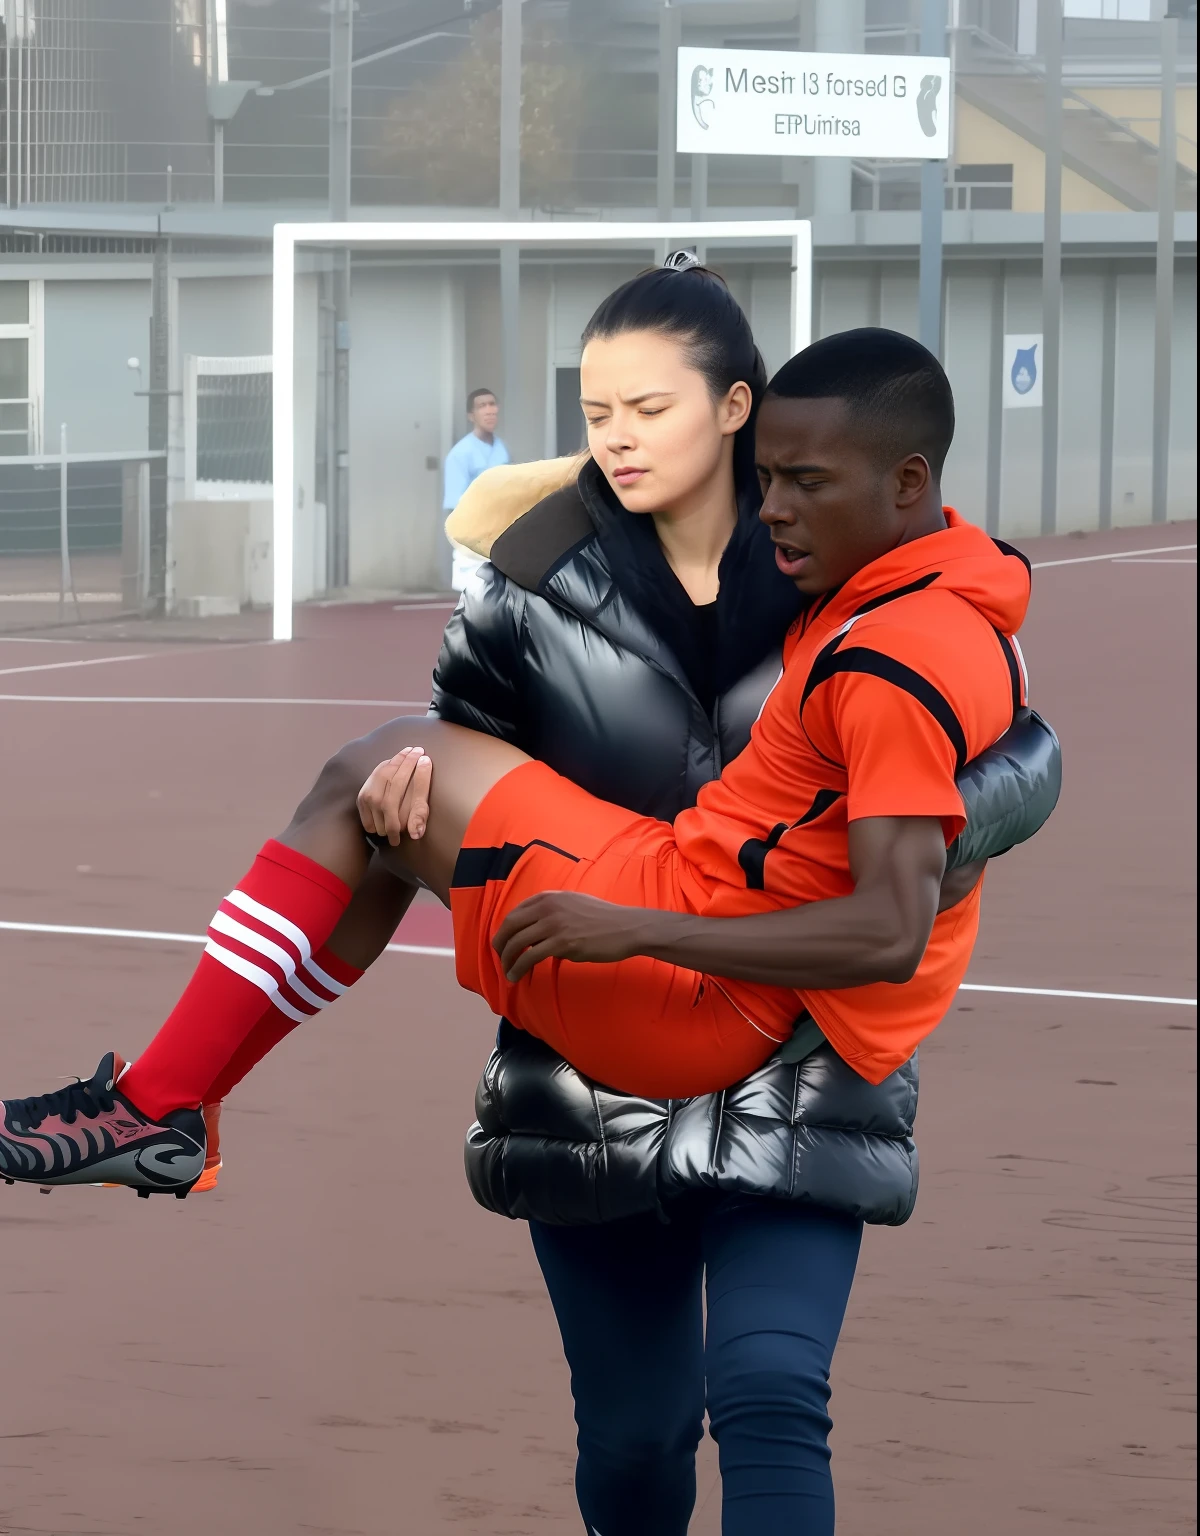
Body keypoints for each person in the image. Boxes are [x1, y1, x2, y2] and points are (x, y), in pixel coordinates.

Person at [1, 314, 1057, 1534]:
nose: (615, 439)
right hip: (640, 1016)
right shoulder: (935, 579)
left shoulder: (875, 627)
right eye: (595, 412)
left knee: (769, 1390)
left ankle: (165, 1106)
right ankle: (172, 1110)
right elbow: (467, 733)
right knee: (634, 1436)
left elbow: (928, 848)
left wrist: (634, 930)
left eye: (651, 410)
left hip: (708, 988)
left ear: (736, 410)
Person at [443, 387, 509, 591]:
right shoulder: (460, 454)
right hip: (473, 539)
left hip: (501, 536)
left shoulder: (501, 448)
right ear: (471, 415)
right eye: (482, 406)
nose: (489, 410)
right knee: (474, 599)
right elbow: (455, 505)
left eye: (492, 404)